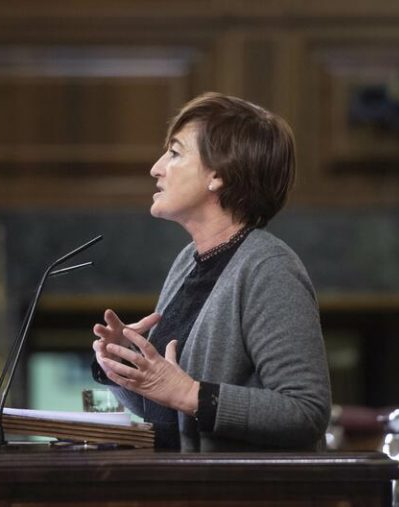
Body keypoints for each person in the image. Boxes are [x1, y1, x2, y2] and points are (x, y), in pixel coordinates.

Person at [91, 92, 331, 451]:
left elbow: (306, 412)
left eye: (175, 153)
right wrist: (122, 364)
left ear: (217, 175)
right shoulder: (188, 260)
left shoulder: (269, 268)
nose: (156, 168)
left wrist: (190, 393)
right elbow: (170, 412)